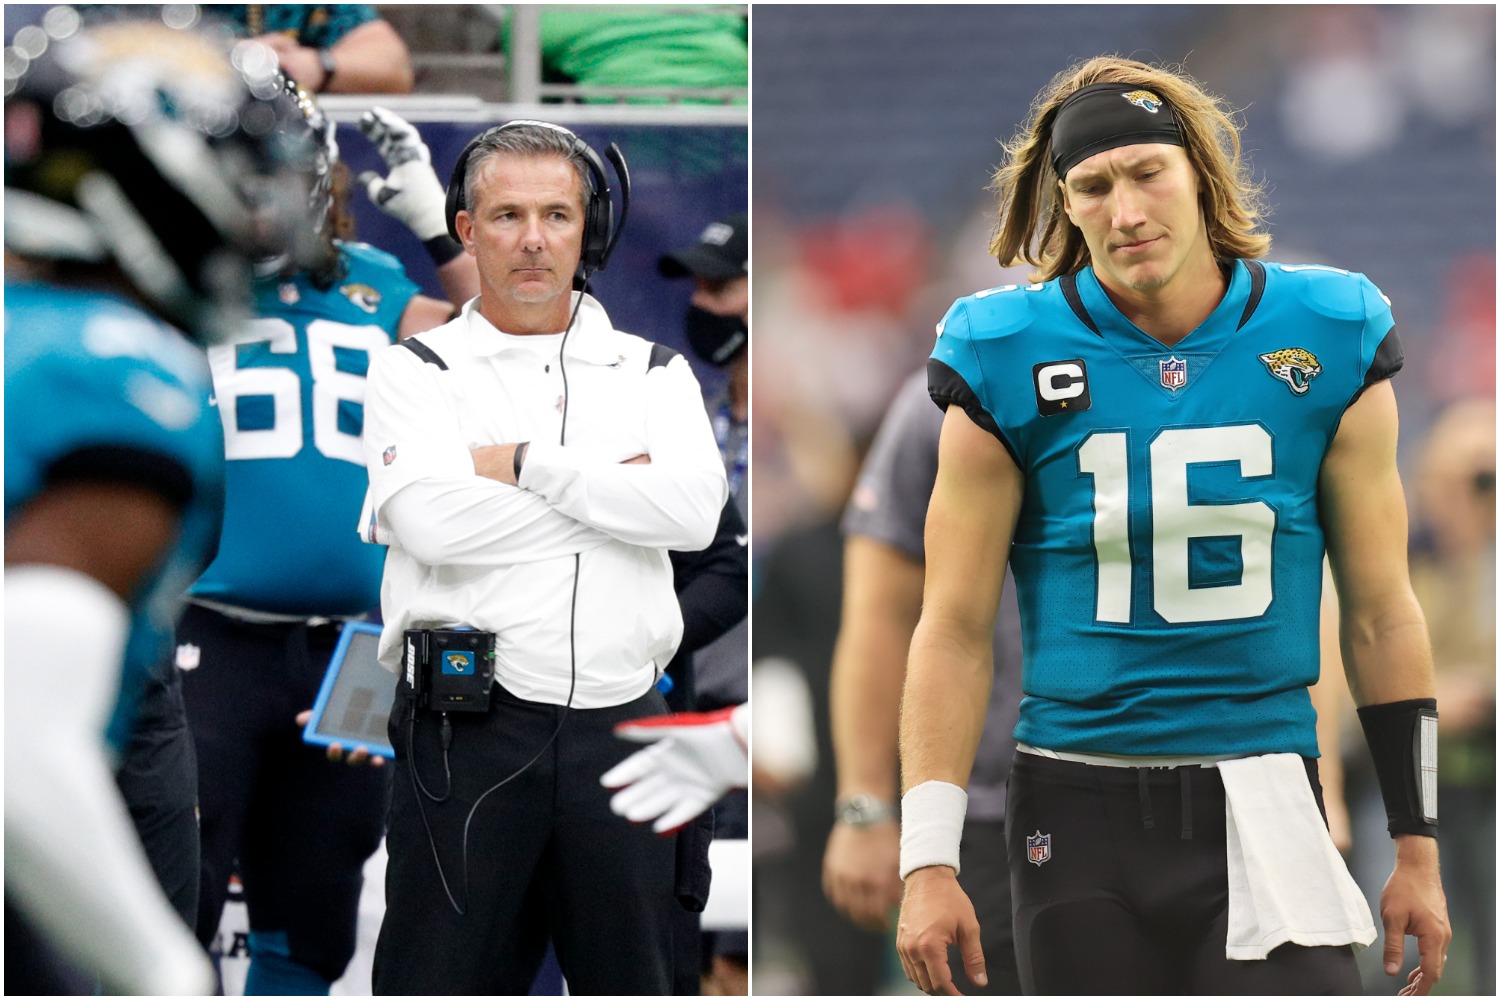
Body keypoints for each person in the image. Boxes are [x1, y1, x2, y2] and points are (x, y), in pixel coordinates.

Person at [895, 55, 1451, 996]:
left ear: (1201, 172)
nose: (1125, 210)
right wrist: (927, 859)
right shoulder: (1001, 350)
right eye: (1092, 186)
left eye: (1147, 171)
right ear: (1063, 204)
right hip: (1073, 804)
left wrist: (1417, 844)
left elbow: (1380, 615)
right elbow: (950, 629)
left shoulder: (1330, 328)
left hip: (1264, 788)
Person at [360, 119, 727, 994]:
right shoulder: (415, 370)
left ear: (589, 231)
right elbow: (434, 527)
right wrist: (616, 498)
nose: (533, 240)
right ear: (465, 228)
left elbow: (693, 516)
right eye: (508, 215)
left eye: (558, 215)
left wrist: (529, 466)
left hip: (625, 728)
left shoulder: (654, 372)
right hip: (464, 732)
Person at [3, 13, 307, 995]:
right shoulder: (112, 369)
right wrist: (158, 969)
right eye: (244, 167)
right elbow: (19, 742)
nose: (265, 204)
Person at [180, 84, 475, 995]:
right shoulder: (171, 279)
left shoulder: (373, 284)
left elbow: (515, 333)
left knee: (313, 915)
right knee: (169, 896)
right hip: (206, 638)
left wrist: (440, 228)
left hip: (353, 641)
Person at [822, 370, 1024, 995]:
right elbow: (878, 616)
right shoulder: (961, 388)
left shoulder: (1243, 368)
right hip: (990, 806)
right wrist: (865, 806)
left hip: (1198, 787)